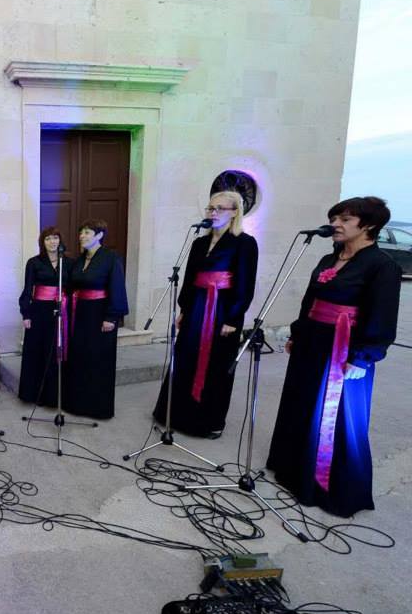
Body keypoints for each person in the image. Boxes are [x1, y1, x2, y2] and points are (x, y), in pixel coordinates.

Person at [267, 197, 401, 518]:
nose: (335, 224)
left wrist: (364, 357)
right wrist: (297, 333)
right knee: (301, 403)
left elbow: (383, 316)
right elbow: (310, 300)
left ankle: (324, 483)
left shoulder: (381, 266)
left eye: (345, 219)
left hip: (344, 348)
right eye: (334, 218)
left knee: (333, 415)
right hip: (311, 341)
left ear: (369, 226)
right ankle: (293, 470)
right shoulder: (329, 258)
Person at [152, 190, 258, 438]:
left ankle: (208, 421)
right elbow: (190, 279)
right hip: (196, 308)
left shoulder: (245, 243)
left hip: (222, 311)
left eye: (220, 208)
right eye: (210, 208)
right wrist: (184, 309)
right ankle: (175, 414)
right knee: (185, 358)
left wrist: (233, 318)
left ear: (235, 212)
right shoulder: (199, 243)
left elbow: (245, 283)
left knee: (216, 365)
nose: (213, 212)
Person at [62, 220, 129, 419]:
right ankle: (77, 404)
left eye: (87, 232)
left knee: (98, 359)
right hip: (79, 314)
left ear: (99, 235)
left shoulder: (111, 258)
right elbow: (72, 286)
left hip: (101, 316)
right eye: (81, 233)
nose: (82, 236)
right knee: (80, 358)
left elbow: (117, 287)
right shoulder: (79, 260)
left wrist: (111, 317)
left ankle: (97, 407)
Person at [18, 226, 72, 407]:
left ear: (60, 240)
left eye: (55, 238)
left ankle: (55, 395)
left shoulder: (68, 262)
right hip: (39, 311)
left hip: (62, 311)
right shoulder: (34, 262)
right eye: (48, 238)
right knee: (38, 351)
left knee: (57, 351)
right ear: (42, 242)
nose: (52, 242)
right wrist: (26, 314)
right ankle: (37, 395)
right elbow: (28, 289)